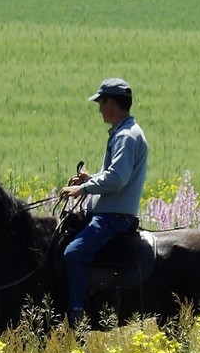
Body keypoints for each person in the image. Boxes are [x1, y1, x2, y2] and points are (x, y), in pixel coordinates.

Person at [59, 78, 149, 327]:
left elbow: (117, 178)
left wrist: (83, 188)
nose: (99, 109)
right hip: (109, 214)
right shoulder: (125, 132)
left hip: (112, 217)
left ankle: (78, 312)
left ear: (111, 103)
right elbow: (113, 174)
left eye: (101, 103)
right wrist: (90, 179)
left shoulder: (126, 136)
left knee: (73, 253)